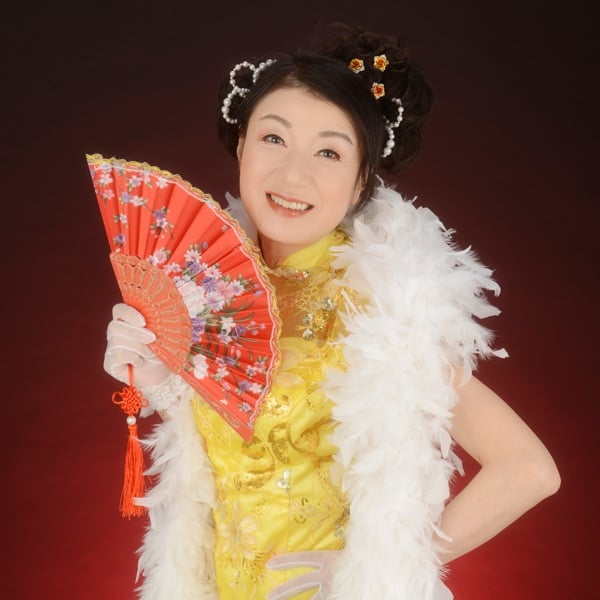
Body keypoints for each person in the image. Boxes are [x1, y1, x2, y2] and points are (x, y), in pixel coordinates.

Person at [103, 23, 560, 599]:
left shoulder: (376, 306)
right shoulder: (208, 288)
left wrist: (376, 564)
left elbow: (528, 469)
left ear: (361, 179)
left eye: (328, 152)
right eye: (274, 138)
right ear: (242, 145)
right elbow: (222, 458)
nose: (294, 175)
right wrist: (158, 380)